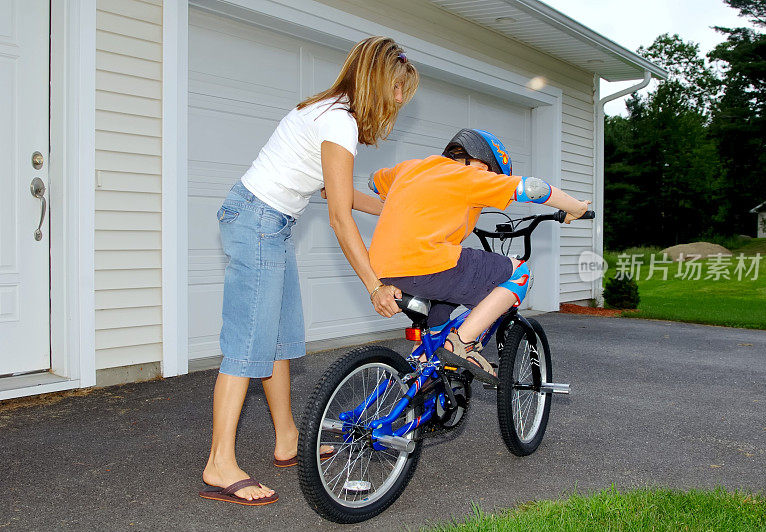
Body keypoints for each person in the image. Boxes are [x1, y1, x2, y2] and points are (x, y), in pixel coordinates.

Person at [200, 36, 419, 506]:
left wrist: (389, 209)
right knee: (247, 345)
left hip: (268, 223)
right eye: (398, 88)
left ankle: (286, 440)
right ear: (377, 80)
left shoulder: (331, 112)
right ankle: (219, 462)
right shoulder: (338, 121)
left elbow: (334, 193)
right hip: (257, 221)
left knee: (279, 340)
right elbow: (339, 216)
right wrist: (374, 284)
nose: (400, 99)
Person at [368, 129, 590, 383]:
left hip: (384, 272)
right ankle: (463, 343)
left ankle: (427, 375)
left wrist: (340, 193)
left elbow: (374, 183)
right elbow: (533, 189)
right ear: (484, 166)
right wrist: (576, 208)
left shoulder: (411, 167)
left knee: (440, 319)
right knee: (519, 272)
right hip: (428, 264)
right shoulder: (470, 175)